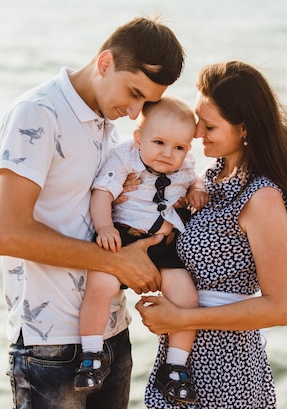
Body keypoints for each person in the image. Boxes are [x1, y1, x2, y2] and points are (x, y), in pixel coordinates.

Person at [0, 16, 186, 409]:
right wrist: (119, 264)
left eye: (144, 103)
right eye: (132, 93)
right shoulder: (38, 114)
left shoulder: (111, 128)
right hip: (51, 344)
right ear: (105, 63)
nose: (134, 112)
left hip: (112, 334)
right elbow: (8, 234)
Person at [135, 60, 287, 409]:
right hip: (179, 359)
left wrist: (183, 318)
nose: (197, 133)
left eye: (210, 126)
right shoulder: (208, 178)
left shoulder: (261, 197)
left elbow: (281, 308)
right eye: (199, 120)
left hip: (226, 370)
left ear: (244, 128)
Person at [75, 95, 208, 404]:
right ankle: (91, 355)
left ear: (189, 149)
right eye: (159, 142)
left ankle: (175, 367)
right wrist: (105, 227)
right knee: (100, 285)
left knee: (187, 296)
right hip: (122, 237)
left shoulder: (186, 167)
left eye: (178, 147)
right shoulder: (124, 158)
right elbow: (101, 194)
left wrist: (197, 191)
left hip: (163, 245)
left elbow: (194, 182)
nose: (167, 154)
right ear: (139, 138)